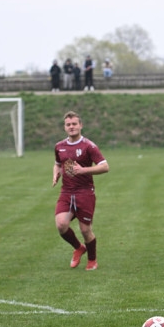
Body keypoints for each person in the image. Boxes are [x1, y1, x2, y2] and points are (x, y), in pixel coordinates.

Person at [53, 112, 109, 270]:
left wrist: (83, 170)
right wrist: (55, 173)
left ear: (80, 125)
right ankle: (79, 248)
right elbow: (57, 163)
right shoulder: (59, 146)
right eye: (68, 125)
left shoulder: (89, 146)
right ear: (65, 127)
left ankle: (92, 260)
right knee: (61, 225)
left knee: (85, 230)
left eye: (74, 124)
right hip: (66, 192)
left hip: (85, 192)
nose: (71, 127)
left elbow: (105, 167)